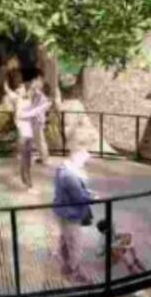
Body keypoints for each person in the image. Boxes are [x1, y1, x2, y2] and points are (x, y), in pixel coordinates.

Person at [52, 147, 95, 282]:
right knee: (75, 243)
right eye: (84, 160)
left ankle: (64, 262)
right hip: (70, 213)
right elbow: (79, 197)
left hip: (62, 210)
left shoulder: (63, 170)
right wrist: (92, 197)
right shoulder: (69, 175)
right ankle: (73, 270)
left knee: (66, 238)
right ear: (76, 158)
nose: (85, 163)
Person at [13, 84, 52, 190]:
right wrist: (40, 109)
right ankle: (27, 182)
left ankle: (27, 181)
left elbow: (34, 112)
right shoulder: (21, 102)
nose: (32, 92)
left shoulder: (29, 102)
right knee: (24, 160)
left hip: (28, 135)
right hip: (23, 135)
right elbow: (23, 115)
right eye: (30, 91)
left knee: (28, 160)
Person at [28, 69, 51, 164]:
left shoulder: (41, 95)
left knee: (40, 139)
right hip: (36, 119)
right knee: (38, 139)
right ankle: (42, 157)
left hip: (38, 120)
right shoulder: (38, 95)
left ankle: (44, 158)